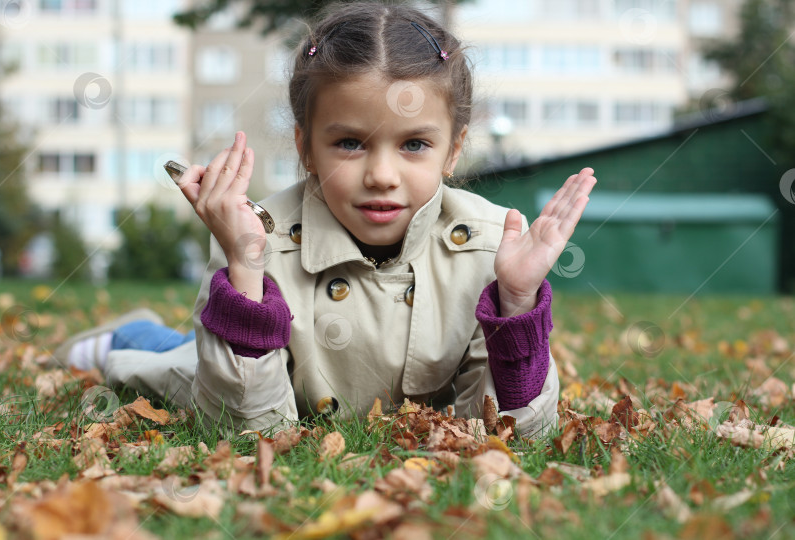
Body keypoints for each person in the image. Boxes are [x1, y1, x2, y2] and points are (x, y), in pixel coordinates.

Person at [54, 2, 596, 438]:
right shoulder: (256, 236)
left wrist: (517, 304)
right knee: (165, 367)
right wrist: (245, 272)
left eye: (414, 144)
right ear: (305, 148)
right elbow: (243, 428)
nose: (382, 175)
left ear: (452, 151)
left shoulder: (489, 249)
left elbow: (516, 434)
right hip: (237, 375)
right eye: (349, 143)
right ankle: (127, 337)